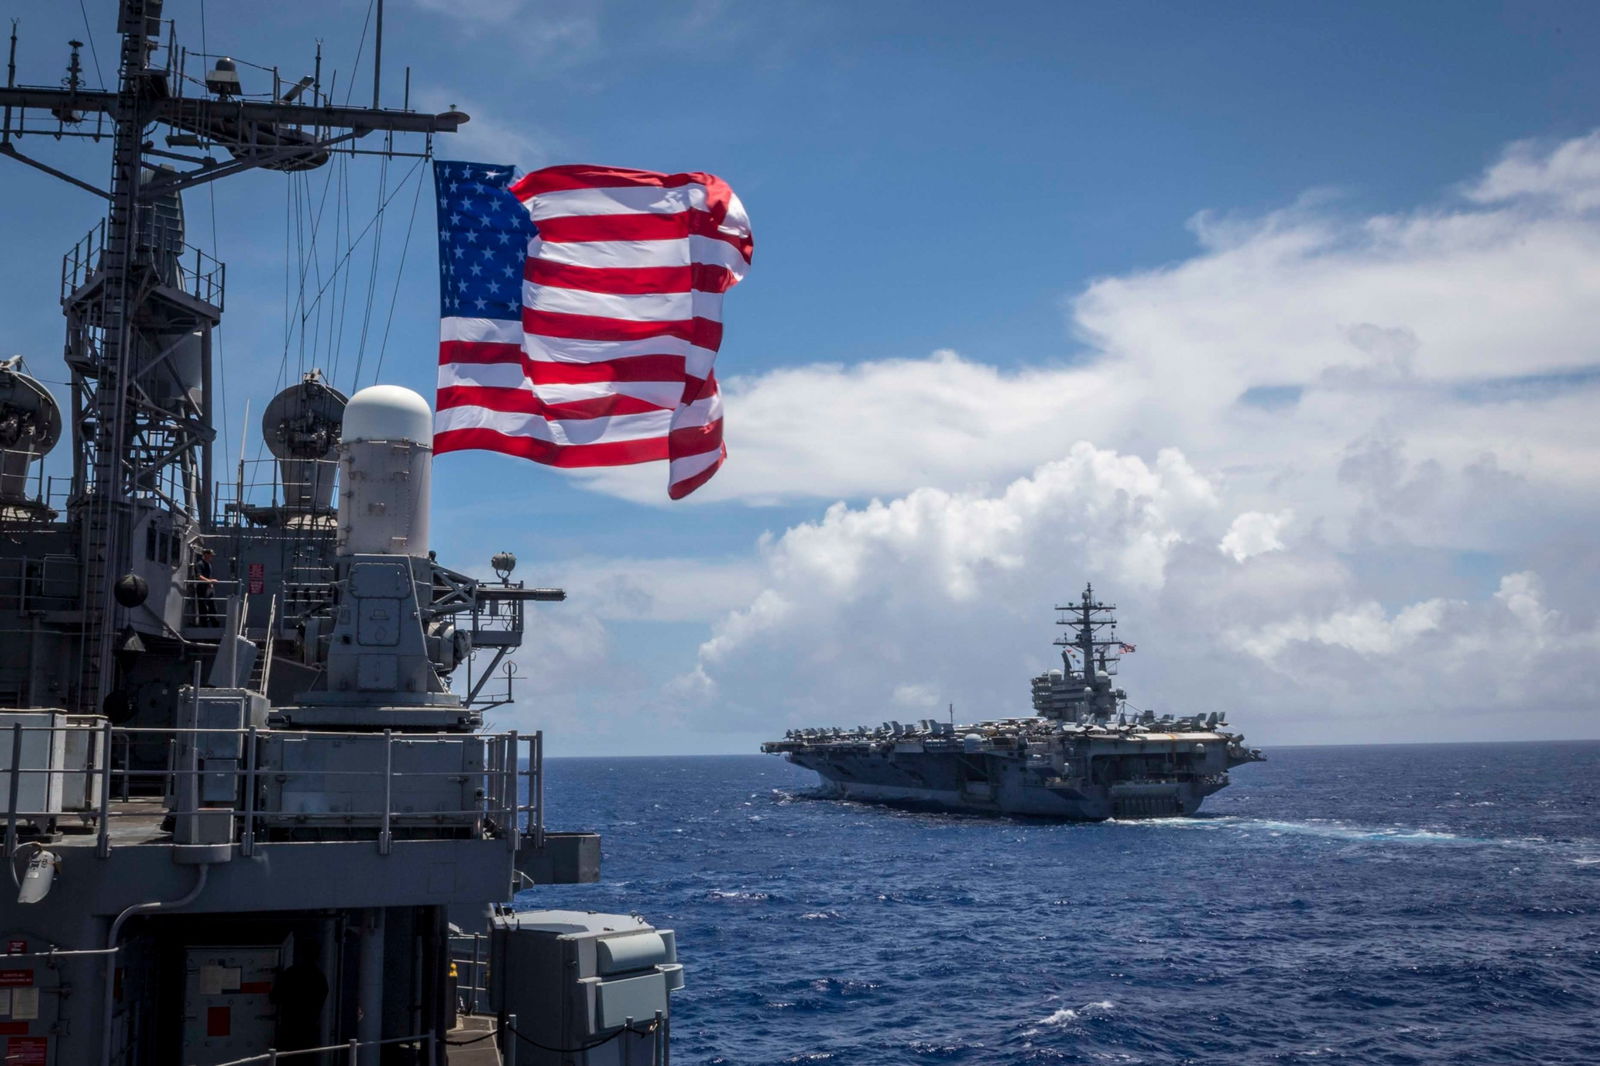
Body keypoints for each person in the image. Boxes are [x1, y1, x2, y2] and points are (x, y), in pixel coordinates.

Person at [191, 547, 219, 626]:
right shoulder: (200, 564)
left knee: (212, 607)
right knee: (202, 607)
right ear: (206, 555)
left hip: (209, 588)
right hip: (202, 588)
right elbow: (199, 576)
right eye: (211, 555)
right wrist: (209, 581)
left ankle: (215, 624)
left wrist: (210, 583)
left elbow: (208, 576)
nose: (212, 557)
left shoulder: (209, 565)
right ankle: (204, 625)